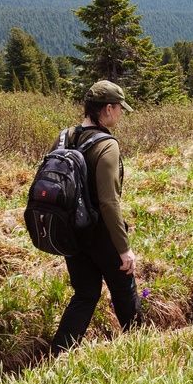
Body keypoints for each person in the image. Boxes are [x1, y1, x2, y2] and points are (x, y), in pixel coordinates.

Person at [51, 80, 142, 353]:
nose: (121, 114)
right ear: (109, 109)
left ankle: (60, 352)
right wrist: (124, 248)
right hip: (101, 233)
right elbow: (109, 202)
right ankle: (141, 347)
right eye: (120, 109)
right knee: (124, 290)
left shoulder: (64, 136)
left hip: (71, 232)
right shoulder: (107, 146)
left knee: (86, 293)